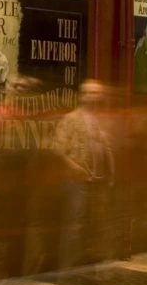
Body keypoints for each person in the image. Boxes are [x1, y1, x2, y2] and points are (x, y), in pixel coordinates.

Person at [50, 79, 116, 269]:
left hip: (98, 181)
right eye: (87, 92)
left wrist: (110, 175)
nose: (91, 96)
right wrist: (75, 168)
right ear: (81, 95)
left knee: (96, 223)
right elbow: (57, 149)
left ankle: (87, 265)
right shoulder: (71, 119)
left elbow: (107, 148)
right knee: (75, 224)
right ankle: (67, 267)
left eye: (95, 93)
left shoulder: (102, 119)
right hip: (77, 181)